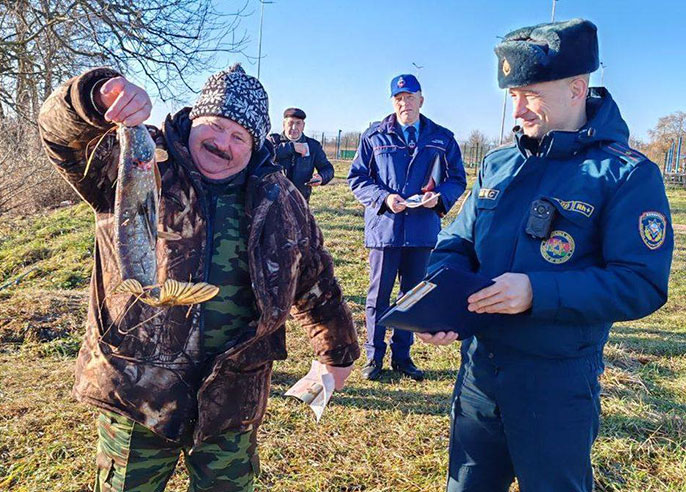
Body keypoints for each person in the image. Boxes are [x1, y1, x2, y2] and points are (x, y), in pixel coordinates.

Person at [38, 64, 360, 492]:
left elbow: (316, 281)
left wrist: (337, 353)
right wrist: (97, 96)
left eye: (239, 136)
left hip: (232, 397)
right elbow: (60, 137)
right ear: (193, 120)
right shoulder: (136, 158)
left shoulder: (281, 199)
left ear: (255, 143)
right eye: (215, 126)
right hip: (137, 391)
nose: (222, 143)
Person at [419, 19, 674, 491]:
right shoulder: (498, 165)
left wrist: (538, 292)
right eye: (511, 93)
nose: (517, 108)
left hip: (556, 385)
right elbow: (455, 244)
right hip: (479, 375)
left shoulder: (625, 175)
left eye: (530, 92)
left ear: (577, 88)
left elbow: (641, 282)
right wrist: (443, 301)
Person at [348, 74, 466, 381]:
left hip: (422, 230)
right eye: (399, 99)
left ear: (421, 100)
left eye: (410, 97)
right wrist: (385, 199)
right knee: (378, 296)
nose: (405, 104)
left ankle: (402, 355)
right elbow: (358, 178)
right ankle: (373, 357)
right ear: (392, 102)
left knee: (413, 296)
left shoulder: (441, 137)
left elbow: (457, 178)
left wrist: (439, 198)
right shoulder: (374, 136)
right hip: (385, 229)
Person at [267, 108, 335, 201]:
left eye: (298, 123)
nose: (294, 128)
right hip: (273, 200)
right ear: (284, 125)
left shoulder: (313, 146)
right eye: (290, 123)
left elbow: (328, 169)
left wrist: (322, 177)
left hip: (300, 201)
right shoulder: (273, 141)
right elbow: (266, 157)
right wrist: (291, 148)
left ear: (303, 126)